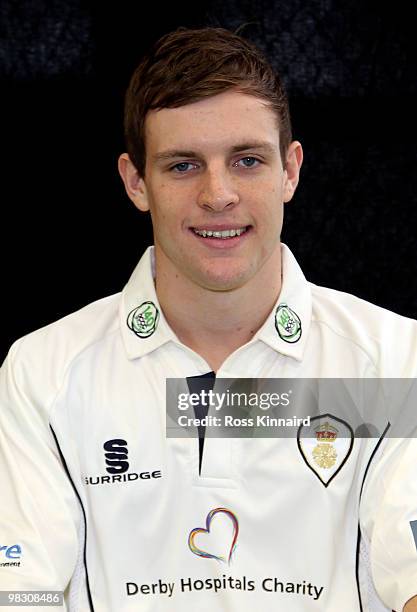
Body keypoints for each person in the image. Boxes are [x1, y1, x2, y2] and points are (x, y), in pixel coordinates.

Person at [1, 26, 417, 612]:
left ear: (290, 171)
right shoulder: (42, 371)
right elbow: (20, 593)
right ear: (136, 182)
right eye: (183, 165)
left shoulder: (397, 358)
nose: (218, 194)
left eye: (247, 160)